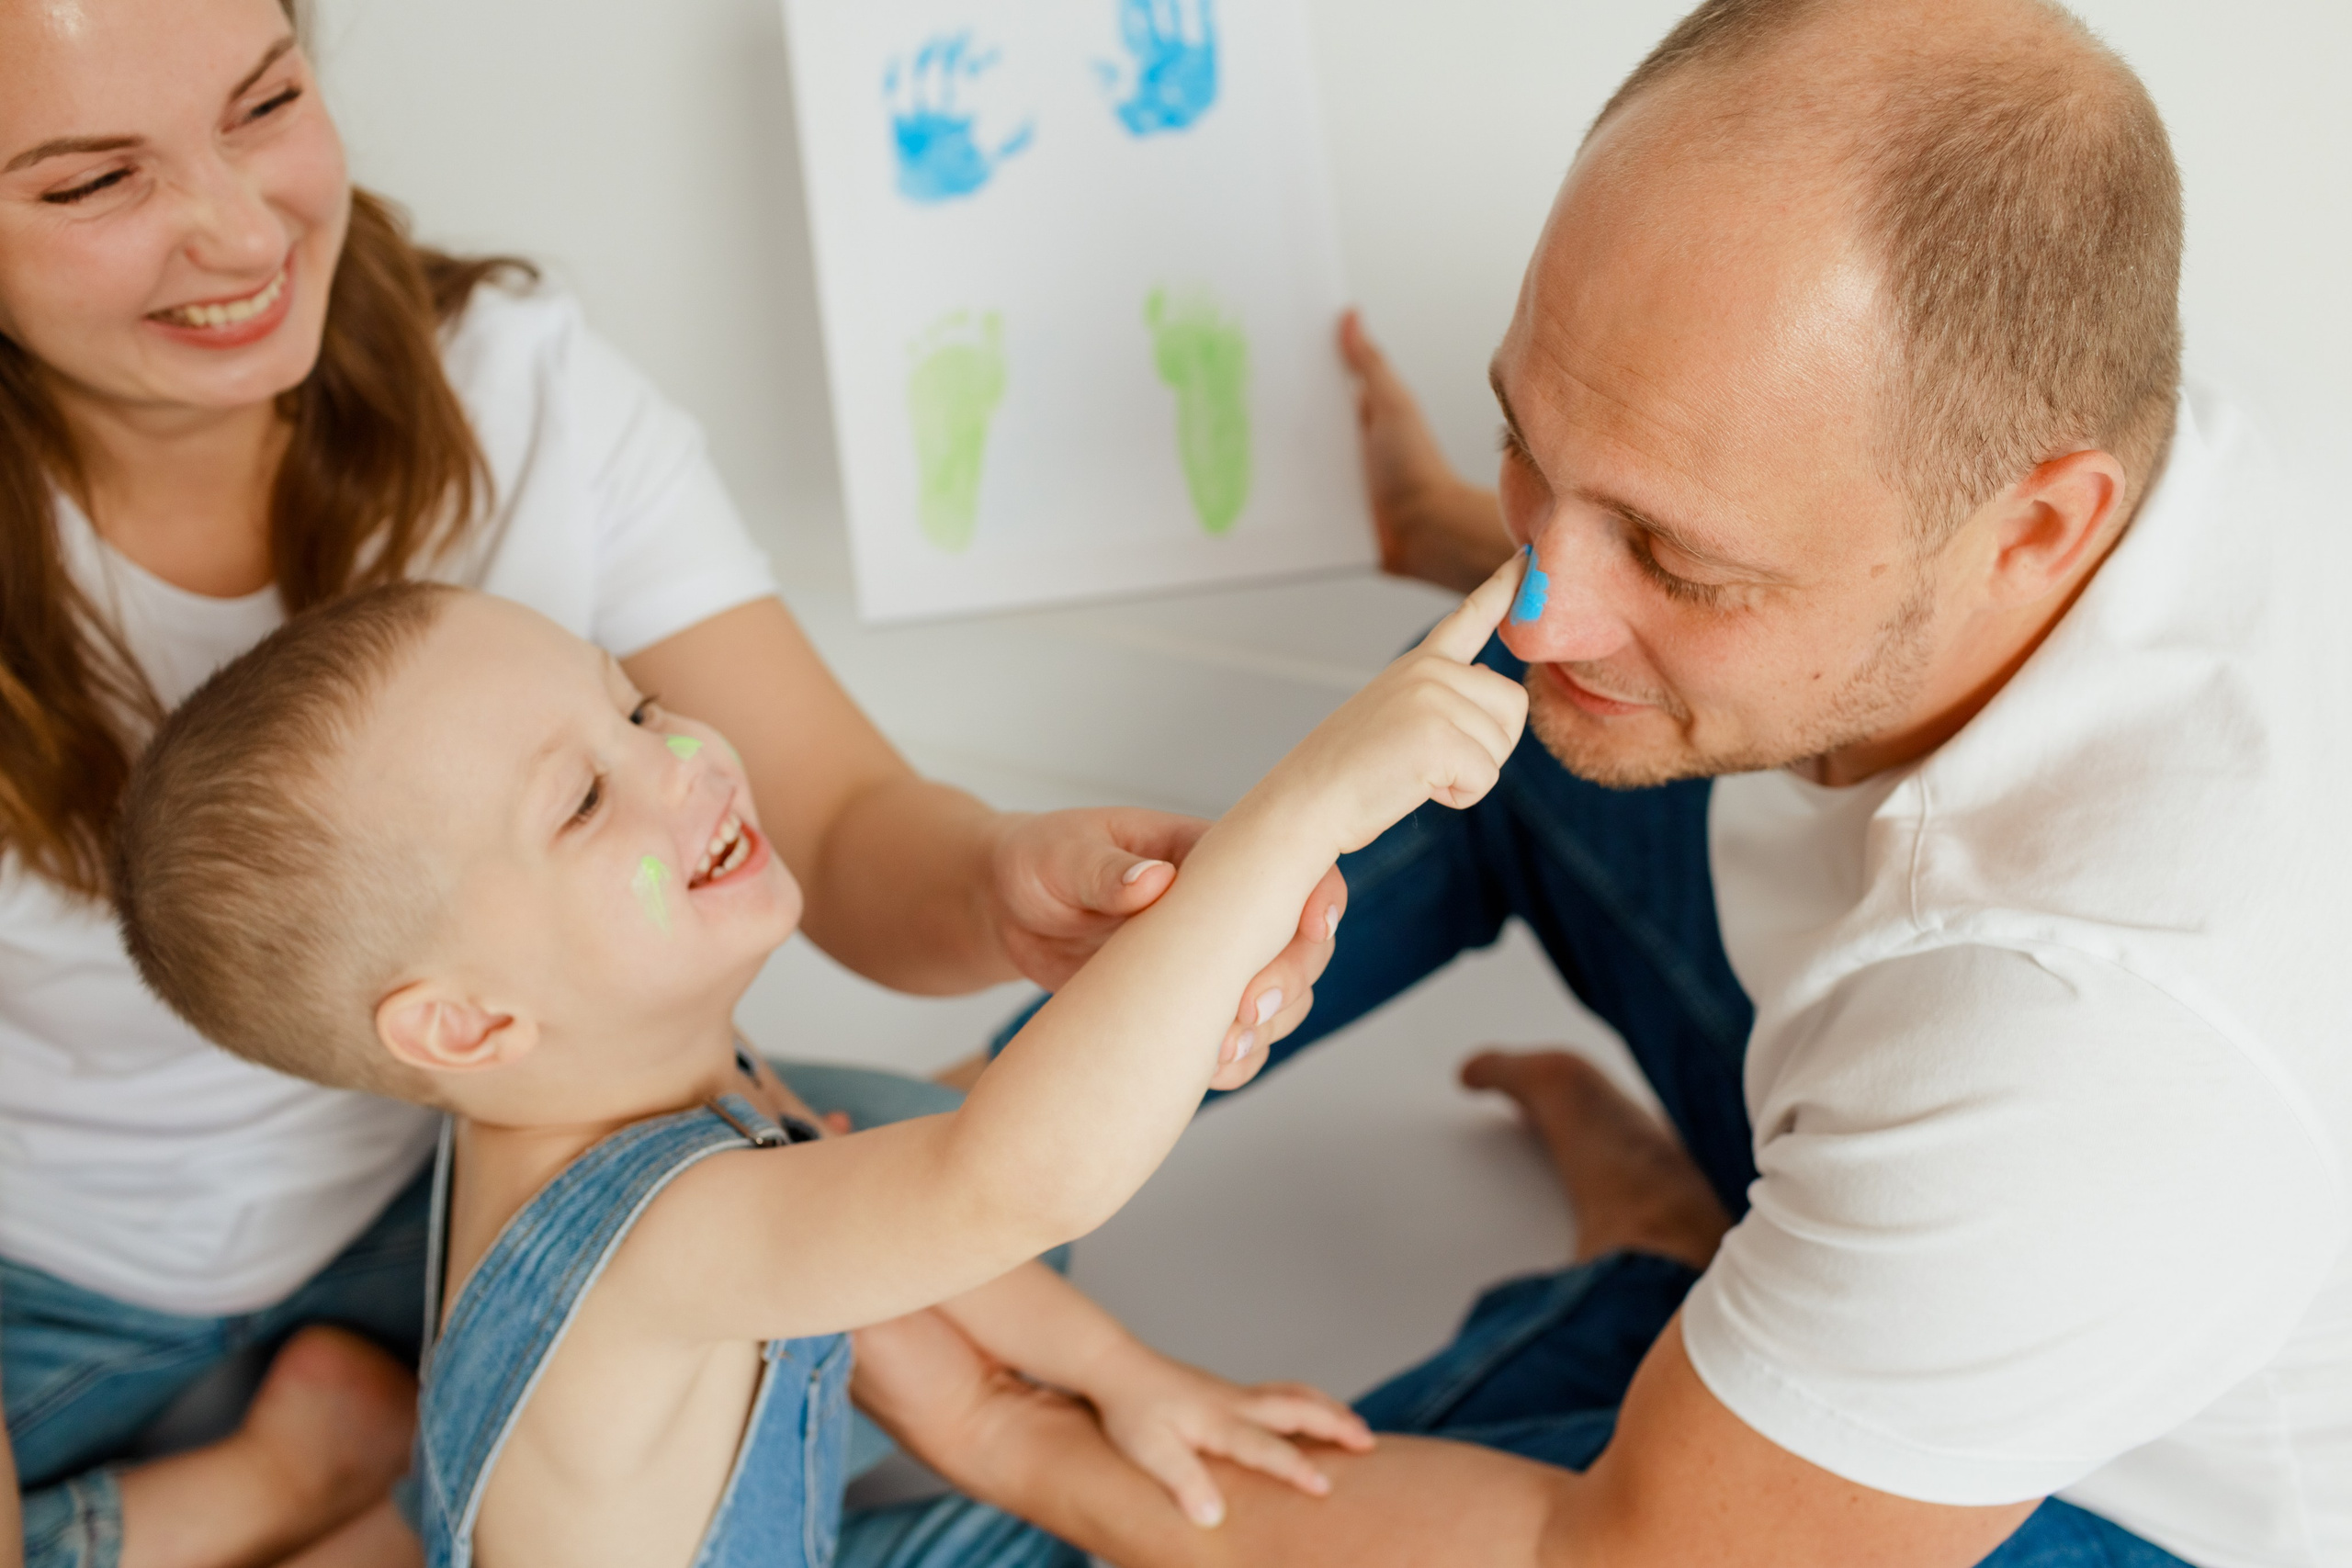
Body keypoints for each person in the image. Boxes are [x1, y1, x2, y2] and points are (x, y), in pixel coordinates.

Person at [964, 0, 2350, 1562]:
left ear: (2032, 530)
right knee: (1509, 701)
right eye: (1529, 448)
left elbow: (1604, 1555)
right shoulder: (2066, 374)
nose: (1542, 596)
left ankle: (1655, 1291)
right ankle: (966, 1150)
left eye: (1679, 556)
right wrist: (1462, 519)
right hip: (1959, 1161)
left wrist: (1006, 1427)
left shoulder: (2094, 1053)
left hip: (2097, 1493)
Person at [0, 3, 1339, 1564]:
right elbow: (1007, 1181)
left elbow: (834, 828)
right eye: (94, 184)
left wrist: (1003, 878)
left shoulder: (517, 386)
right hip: (58, 1284)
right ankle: (288, 1495)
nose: (235, 228)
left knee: (880, 1171)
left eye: (267, 101)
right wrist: (1339, 779)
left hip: (441, 1189)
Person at [106, 570, 1532, 1568]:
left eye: (638, 706)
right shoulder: (650, 1241)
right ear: (469, 1026)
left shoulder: (631, 1082)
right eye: (589, 797)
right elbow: (1007, 1181)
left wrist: (1133, 1378)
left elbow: (906, 1216)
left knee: (1199, 1490)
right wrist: (1303, 808)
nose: (690, 760)